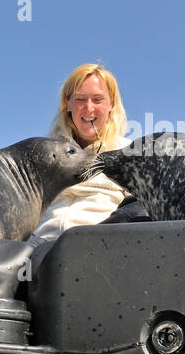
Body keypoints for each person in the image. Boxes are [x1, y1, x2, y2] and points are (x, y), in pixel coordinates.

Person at [31, 64, 137, 245]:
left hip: (98, 252)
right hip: (39, 249)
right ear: (67, 103)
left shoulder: (130, 155)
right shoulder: (44, 153)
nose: (88, 108)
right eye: (80, 99)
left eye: (97, 99)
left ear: (111, 103)